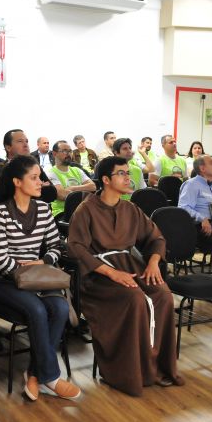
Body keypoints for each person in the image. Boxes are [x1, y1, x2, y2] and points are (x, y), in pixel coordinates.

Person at [68, 156, 182, 396]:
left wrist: (152, 263)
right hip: (98, 275)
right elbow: (76, 248)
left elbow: (156, 238)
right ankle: (128, 372)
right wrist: (111, 273)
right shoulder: (86, 209)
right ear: (107, 180)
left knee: (163, 295)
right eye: (121, 173)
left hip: (131, 265)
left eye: (128, 173)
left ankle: (158, 367)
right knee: (134, 299)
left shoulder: (130, 208)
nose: (128, 177)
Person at [0, 155, 81, 400]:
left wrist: (42, 262)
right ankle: (51, 378)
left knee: (60, 308)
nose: (41, 182)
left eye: (40, 177)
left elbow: (55, 246)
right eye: (34, 178)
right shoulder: (0, 212)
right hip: (6, 281)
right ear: (17, 182)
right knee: (38, 310)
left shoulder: (42, 208)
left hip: (38, 278)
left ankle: (34, 375)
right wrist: (24, 273)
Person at [179, 155, 212, 241]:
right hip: (203, 225)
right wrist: (202, 218)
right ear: (202, 169)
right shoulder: (191, 185)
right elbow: (183, 207)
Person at [3, 129, 56, 203]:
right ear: (8, 147)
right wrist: (40, 186)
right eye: (20, 141)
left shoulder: (35, 166)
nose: (25, 145)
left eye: (26, 141)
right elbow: (6, 198)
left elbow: (52, 193)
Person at [48, 140, 96, 217]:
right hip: (63, 212)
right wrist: (84, 191)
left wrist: (72, 188)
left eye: (70, 151)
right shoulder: (51, 173)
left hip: (83, 210)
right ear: (54, 153)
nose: (68, 154)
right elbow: (62, 195)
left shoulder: (77, 170)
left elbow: (93, 187)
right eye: (64, 151)